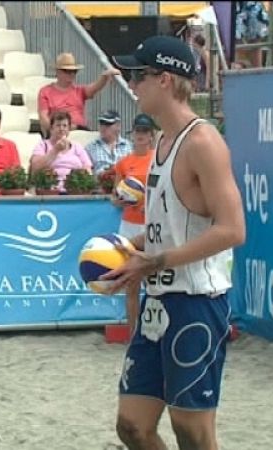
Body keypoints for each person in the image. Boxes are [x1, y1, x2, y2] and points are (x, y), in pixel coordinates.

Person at [107, 36, 246, 450]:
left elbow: (233, 230)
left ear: (164, 79)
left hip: (198, 302)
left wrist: (155, 260)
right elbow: (172, 224)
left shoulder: (202, 142)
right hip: (160, 299)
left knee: (193, 433)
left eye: (139, 75)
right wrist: (133, 247)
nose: (133, 84)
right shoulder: (163, 143)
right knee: (132, 426)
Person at [111, 112, 157, 332]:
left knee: (155, 281)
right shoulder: (123, 163)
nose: (140, 135)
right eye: (138, 131)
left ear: (151, 135)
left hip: (152, 223)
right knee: (132, 283)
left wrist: (144, 200)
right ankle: (132, 334)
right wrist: (123, 200)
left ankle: (153, 330)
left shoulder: (158, 159)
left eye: (145, 131)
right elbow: (115, 197)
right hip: (129, 224)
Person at [37, 53, 120, 136]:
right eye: (67, 71)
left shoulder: (79, 90)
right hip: (58, 132)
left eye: (74, 71)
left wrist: (105, 76)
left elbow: (94, 88)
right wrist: (56, 130)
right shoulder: (45, 91)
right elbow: (43, 117)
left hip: (80, 131)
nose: (71, 74)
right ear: (58, 72)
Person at [30, 111, 92, 192]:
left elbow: (88, 169)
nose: (61, 129)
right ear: (51, 129)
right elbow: (35, 168)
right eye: (58, 125)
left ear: (69, 129)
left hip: (75, 189)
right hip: (50, 190)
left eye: (65, 126)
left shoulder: (77, 147)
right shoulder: (43, 145)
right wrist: (55, 150)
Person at [84, 109, 132, 176]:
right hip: (100, 183)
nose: (103, 127)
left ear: (118, 126)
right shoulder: (90, 147)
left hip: (124, 183)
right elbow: (86, 172)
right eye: (101, 123)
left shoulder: (128, 146)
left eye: (107, 124)